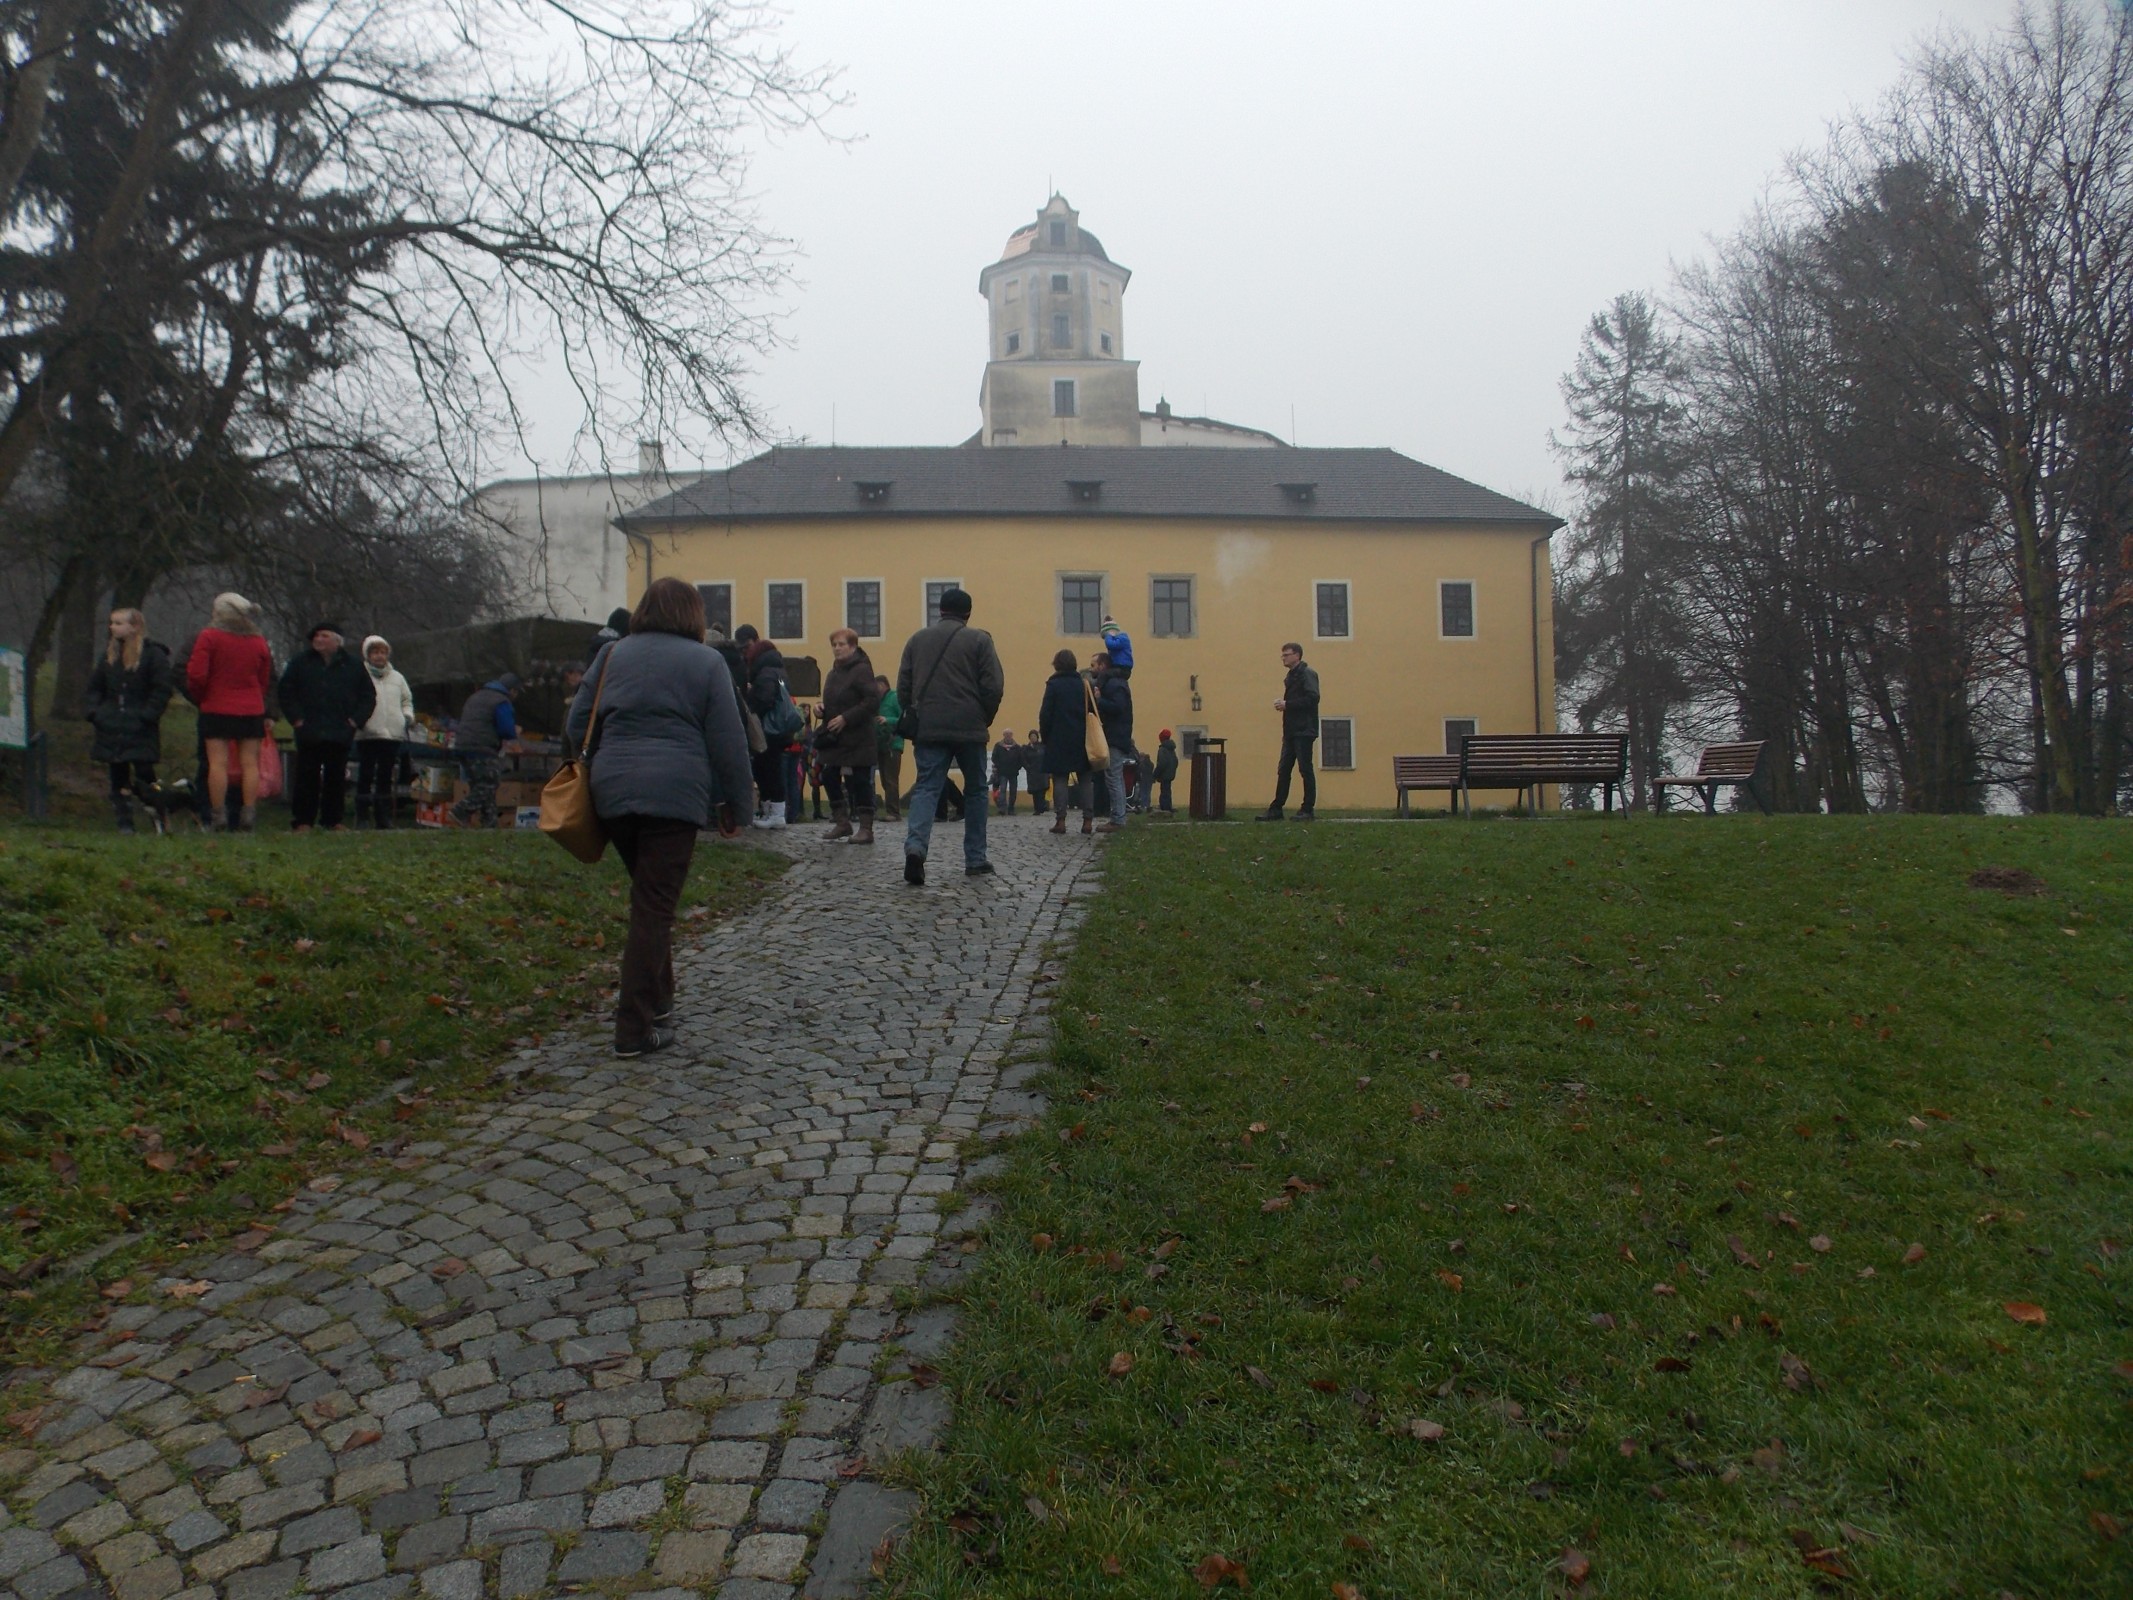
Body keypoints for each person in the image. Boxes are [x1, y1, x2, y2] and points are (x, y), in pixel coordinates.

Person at [565, 577, 753, 1059]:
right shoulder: (707, 661)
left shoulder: (612, 655)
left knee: (650, 899)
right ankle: (633, 1028)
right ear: (692, 614)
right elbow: (728, 741)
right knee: (654, 907)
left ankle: (661, 1001)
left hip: (612, 791)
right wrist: (737, 805)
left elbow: (576, 722)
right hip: (674, 792)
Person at [893, 586, 1003, 885]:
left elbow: (903, 687)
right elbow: (993, 686)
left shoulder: (917, 640)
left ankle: (916, 848)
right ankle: (975, 858)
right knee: (976, 790)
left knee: (927, 788)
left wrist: (916, 713)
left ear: (939, 610)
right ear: (968, 613)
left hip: (929, 727)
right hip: (970, 727)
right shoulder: (980, 640)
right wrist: (984, 717)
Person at [184, 592, 274, 832]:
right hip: (251, 708)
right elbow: (264, 677)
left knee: (218, 764)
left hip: (217, 706)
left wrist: (201, 696)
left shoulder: (209, 636)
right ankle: (248, 813)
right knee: (250, 764)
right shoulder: (258, 640)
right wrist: (255, 696)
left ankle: (218, 815)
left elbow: (196, 674)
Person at [83, 607, 174, 835]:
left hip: (140, 725)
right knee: (117, 773)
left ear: (134, 627)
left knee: (145, 773)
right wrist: (95, 713)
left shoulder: (154, 656)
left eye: (118, 623)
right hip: (111, 725)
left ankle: (159, 817)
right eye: (112, 623)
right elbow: (95, 687)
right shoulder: (109, 656)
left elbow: (162, 689)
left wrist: (147, 715)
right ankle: (124, 821)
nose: (112, 627)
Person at [277, 624, 374, 832]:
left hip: (340, 730)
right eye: (316, 636)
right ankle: (303, 821)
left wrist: (355, 721)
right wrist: (296, 718)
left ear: (337, 640)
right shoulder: (300, 662)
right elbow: (285, 691)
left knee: (336, 777)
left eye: (324, 636)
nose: (318, 639)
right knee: (306, 776)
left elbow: (367, 696)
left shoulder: (353, 665)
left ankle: (333, 820)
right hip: (309, 729)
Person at [816, 627, 883, 843]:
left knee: (861, 781)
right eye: (834, 645)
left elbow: (872, 701)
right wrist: (821, 709)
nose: (837, 648)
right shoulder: (833, 673)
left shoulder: (862, 670)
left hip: (858, 736)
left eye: (841, 644)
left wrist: (846, 717)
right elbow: (835, 700)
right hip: (836, 738)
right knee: (828, 776)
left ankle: (866, 828)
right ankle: (842, 822)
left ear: (852, 646)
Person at [354, 635, 415, 828]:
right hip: (368, 733)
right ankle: (362, 816)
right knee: (365, 774)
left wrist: (407, 716)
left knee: (386, 776)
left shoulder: (398, 677)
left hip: (392, 734)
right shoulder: (360, 675)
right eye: (375, 652)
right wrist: (358, 721)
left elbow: (407, 700)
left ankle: (384, 817)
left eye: (383, 652)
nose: (379, 656)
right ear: (367, 655)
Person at [1259, 641, 1321, 822]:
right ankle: (1276, 808)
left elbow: (1313, 698)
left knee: (1305, 769)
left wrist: (1288, 704)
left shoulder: (1307, 674)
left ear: (1297, 655)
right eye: (1283, 655)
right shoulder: (1292, 676)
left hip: (1304, 730)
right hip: (1291, 731)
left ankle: (1307, 809)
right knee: (1284, 769)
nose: (1283, 658)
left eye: (1286, 655)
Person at [734, 624, 789, 829]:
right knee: (767, 768)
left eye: (747, 648)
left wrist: (750, 695)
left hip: (768, 729)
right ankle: (770, 811)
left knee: (769, 769)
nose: (745, 653)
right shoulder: (776, 668)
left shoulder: (765, 672)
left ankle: (775, 813)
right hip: (776, 729)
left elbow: (764, 700)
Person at [451, 671, 521, 827]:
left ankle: (489, 823)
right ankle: (461, 810)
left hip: (461, 745)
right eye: (516, 692)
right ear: (512, 690)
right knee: (490, 783)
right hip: (482, 747)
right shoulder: (501, 701)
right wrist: (515, 732)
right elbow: (506, 729)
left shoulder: (476, 696)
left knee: (480, 785)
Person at [1038, 650, 1094, 835]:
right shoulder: (1083, 684)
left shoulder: (1053, 685)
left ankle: (1061, 820)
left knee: (1060, 779)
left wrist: (1046, 737)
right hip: (1082, 738)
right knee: (1085, 779)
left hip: (1058, 738)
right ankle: (1087, 821)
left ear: (1056, 664)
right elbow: (1092, 710)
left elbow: (1045, 714)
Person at [1092, 653, 1133, 833]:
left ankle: (1117, 819)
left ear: (1102, 665)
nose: (1092, 669)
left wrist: (1099, 700)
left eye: (1093, 665)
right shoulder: (1116, 682)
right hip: (1117, 735)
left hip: (1115, 736)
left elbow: (1118, 707)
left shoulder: (1114, 684)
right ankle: (1119, 816)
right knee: (1115, 777)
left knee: (1113, 777)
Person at [873, 676, 903, 820]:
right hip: (881, 745)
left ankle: (894, 812)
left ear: (882, 685)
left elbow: (903, 719)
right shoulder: (878, 701)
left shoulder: (894, 698)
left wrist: (887, 720)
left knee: (891, 779)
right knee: (885, 780)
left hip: (893, 744)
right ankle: (890, 809)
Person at [990, 729, 1021, 815]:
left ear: (1012, 735)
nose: (1008, 736)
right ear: (1003, 735)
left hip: (1013, 773)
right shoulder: (998, 746)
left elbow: (1020, 759)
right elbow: (994, 757)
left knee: (1013, 791)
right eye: (1006, 734)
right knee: (1002, 790)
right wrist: (999, 766)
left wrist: (1017, 768)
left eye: (1009, 734)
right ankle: (1002, 809)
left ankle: (1011, 809)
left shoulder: (1017, 747)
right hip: (1002, 772)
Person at [1021, 728, 1047, 815]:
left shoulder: (1042, 746)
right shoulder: (1026, 748)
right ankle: (1037, 809)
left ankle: (1042, 806)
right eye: (1031, 736)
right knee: (1035, 791)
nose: (1033, 738)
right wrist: (1027, 767)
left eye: (1034, 736)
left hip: (1042, 772)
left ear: (1037, 737)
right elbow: (1023, 759)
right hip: (1032, 772)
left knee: (1042, 790)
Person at [1154, 729, 1180, 815]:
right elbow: (1176, 761)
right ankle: (1168, 806)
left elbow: (1161, 763)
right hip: (1170, 773)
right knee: (1167, 790)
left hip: (1164, 774)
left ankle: (1165, 808)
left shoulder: (1162, 749)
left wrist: (1155, 774)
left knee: (1164, 791)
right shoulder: (1172, 749)